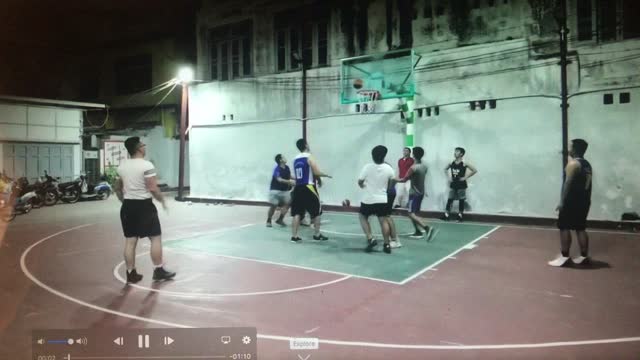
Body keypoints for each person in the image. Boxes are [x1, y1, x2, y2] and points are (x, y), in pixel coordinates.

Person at [114, 137, 176, 283]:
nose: (145, 147)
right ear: (139, 148)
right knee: (155, 237)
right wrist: (162, 200)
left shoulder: (122, 166)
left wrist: (124, 201)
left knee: (130, 240)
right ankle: (159, 270)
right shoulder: (146, 165)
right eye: (143, 145)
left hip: (128, 206)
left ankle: (131, 273)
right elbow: (153, 188)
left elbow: (117, 187)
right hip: (144, 206)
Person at [549, 139, 593, 267]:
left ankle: (564, 257)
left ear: (574, 149)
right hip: (584, 201)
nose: (568, 149)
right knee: (580, 228)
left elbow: (567, 183)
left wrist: (562, 202)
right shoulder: (586, 164)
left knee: (564, 227)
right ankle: (584, 257)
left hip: (571, 201)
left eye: (570, 147)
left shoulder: (573, 164)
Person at [290, 139, 332, 242]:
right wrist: (325, 175)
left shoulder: (295, 159)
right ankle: (317, 234)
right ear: (306, 145)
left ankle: (294, 236)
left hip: (298, 188)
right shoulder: (309, 157)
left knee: (297, 213)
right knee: (317, 211)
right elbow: (316, 172)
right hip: (308, 187)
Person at [358, 146, 396, 254]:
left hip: (368, 199)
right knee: (383, 220)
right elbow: (392, 182)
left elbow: (360, 181)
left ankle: (371, 238)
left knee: (362, 216)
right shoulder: (389, 168)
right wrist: (386, 189)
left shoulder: (367, 167)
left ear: (372, 156)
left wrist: (363, 186)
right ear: (384, 156)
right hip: (382, 199)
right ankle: (386, 244)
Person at [396, 147, 435, 241]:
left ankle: (427, 228)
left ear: (413, 155)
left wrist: (393, 179)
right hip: (420, 192)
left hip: (414, 194)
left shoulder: (413, 168)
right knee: (414, 213)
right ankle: (417, 231)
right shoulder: (424, 166)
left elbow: (404, 179)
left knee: (410, 213)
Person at [443, 147, 477, 222]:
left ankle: (460, 215)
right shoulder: (451, 162)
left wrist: (465, 177)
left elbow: (474, 170)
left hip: (461, 184)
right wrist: (449, 177)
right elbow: (445, 169)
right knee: (450, 198)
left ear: (461, 154)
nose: (455, 153)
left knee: (461, 199)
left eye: (457, 151)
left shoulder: (464, 163)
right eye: (455, 151)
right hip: (453, 183)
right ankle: (446, 214)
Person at [267, 154, 295, 227]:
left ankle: (280, 219)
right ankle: (269, 220)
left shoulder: (287, 168)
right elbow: (279, 179)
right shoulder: (277, 169)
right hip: (275, 191)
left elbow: (289, 176)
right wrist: (289, 182)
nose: (286, 158)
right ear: (280, 160)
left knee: (288, 203)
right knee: (273, 206)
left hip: (284, 191)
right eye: (284, 157)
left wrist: (298, 179)